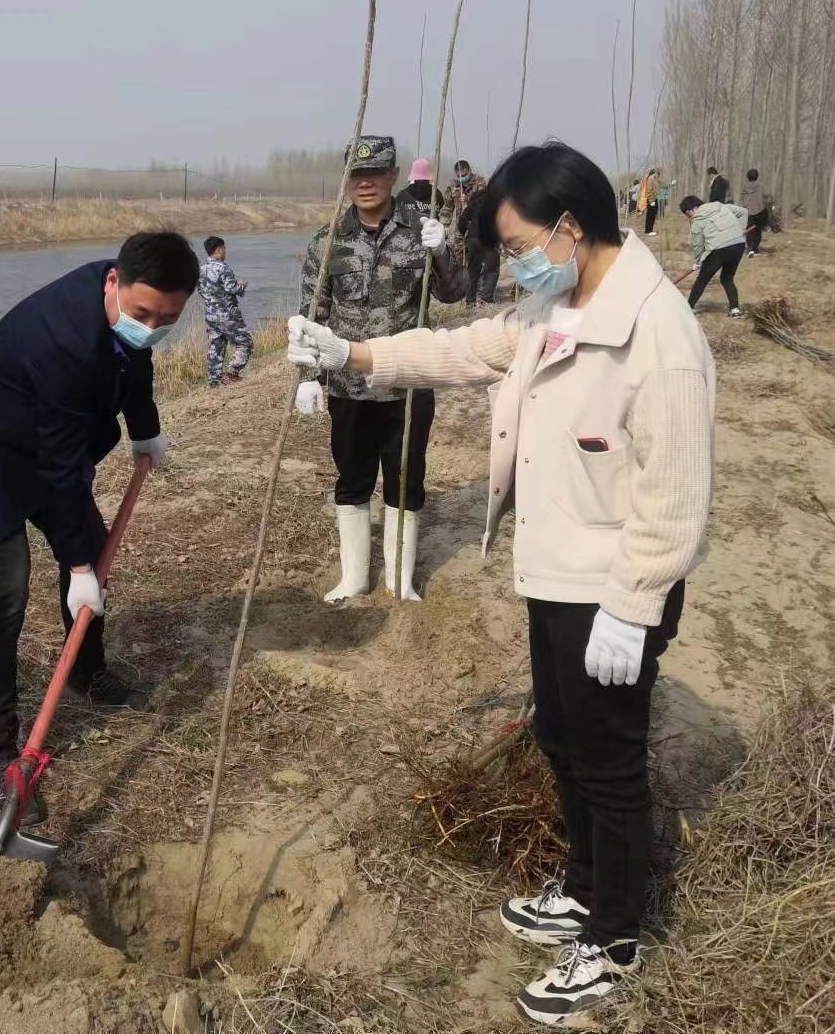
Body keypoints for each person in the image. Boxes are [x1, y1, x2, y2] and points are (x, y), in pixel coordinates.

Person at [287, 141, 715, 1028]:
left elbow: (676, 500)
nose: (513, 261)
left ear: (568, 227)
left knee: (609, 763)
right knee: (561, 737)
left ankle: (615, 936)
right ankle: (585, 885)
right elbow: (457, 350)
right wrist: (351, 353)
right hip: (556, 572)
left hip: (614, 591)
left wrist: (633, 612)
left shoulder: (660, 334)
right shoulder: (555, 301)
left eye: (518, 242)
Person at [0, 232, 194, 823]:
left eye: (167, 318)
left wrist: (145, 427)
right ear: (113, 281)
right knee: (6, 583)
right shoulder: (63, 340)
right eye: (143, 313)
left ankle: (86, 673)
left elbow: (134, 362)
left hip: (36, 440)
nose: (152, 325)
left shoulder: (124, 306)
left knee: (84, 541)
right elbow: (64, 467)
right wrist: (83, 570)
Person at [296, 134, 462, 602]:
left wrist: (443, 250)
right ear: (347, 179)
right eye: (356, 175)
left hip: (409, 383)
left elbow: (454, 294)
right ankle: (354, 577)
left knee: (406, 478)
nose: (365, 184)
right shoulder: (328, 242)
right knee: (352, 479)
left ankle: (399, 579)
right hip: (349, 386)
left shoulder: (420, 229)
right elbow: (312, 314)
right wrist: (308, 379)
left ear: (394, 176)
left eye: (375, 174)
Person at [680, 194, 749, 317]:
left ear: (693, 209)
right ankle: (735, 310)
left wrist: (697, 262)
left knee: (702, 279)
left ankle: (688, 308)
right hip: (738, 244)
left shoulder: (697, 220)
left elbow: (698, 244)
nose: (687, 217)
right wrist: (742, 229)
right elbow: (744, 212)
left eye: (687, 213)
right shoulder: (721, 206)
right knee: (727, 278)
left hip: (719, 249)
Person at [199, 235, 252, 387]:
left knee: (215, 347)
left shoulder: (201, 270)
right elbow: (231, 288)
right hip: (228, 315)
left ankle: (214, 382)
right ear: (219, 249)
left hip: (211, 314)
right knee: (245, 343)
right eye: (225, 248)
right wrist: (241, 285)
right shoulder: (223, 268)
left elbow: (201, 290)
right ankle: (231, 374)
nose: (226, 251)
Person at [456, 169, 501, 306]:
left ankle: (470, 302)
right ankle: (485, 298)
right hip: (489, 238)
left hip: (473, 238)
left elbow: (462, 220)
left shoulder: (474, 202)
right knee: (492, 269)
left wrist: (464, 232)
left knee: (473, 270)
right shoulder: (495, 203)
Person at [739, 168, 772, 255]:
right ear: (757, 177)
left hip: (748, 212)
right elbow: (768, 197)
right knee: (758, 230)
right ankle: (754, 248)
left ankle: (749, 248)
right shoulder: (761, 186)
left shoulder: (744, 187)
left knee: (749, 230)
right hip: (759, 211)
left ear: (747, 177)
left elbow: (742, 199)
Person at [639, 168, 663, 236]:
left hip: (654, 198)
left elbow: (658, 186)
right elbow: (649, 190)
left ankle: (650, 229)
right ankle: (648, 230)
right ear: (655, 173)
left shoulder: (654, 179)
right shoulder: (650, 178)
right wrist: (651, 200)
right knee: (650, 215)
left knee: (653, 214)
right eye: (657, 174)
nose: (658, 175)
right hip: (651, 199)